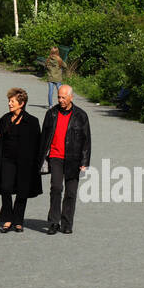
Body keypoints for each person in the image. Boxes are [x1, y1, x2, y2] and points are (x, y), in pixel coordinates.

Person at [0, 87, 42, 233]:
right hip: (7, 159)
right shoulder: (4, 119)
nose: (9, 103)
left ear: (21, 103)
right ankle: (8, 218)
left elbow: (37, 143)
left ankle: (18, 220)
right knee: (6, 188)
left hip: (25, 162)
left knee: (22, 191)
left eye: (12, 101)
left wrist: (36, 163)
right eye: (9, 101)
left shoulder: (32, 121)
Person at [39, 84, 91, 235]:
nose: (60, 100)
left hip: (73, 158)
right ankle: (54, 222)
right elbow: (44, 137)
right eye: (59, 97)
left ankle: (67, 223)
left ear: (71, 97)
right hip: (55, 156)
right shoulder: (51, 114)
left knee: (71, 192)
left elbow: (86, 140)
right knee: (56, 188)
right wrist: (41, 157)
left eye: (63, 97)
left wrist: (84, 162)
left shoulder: (81, 115)